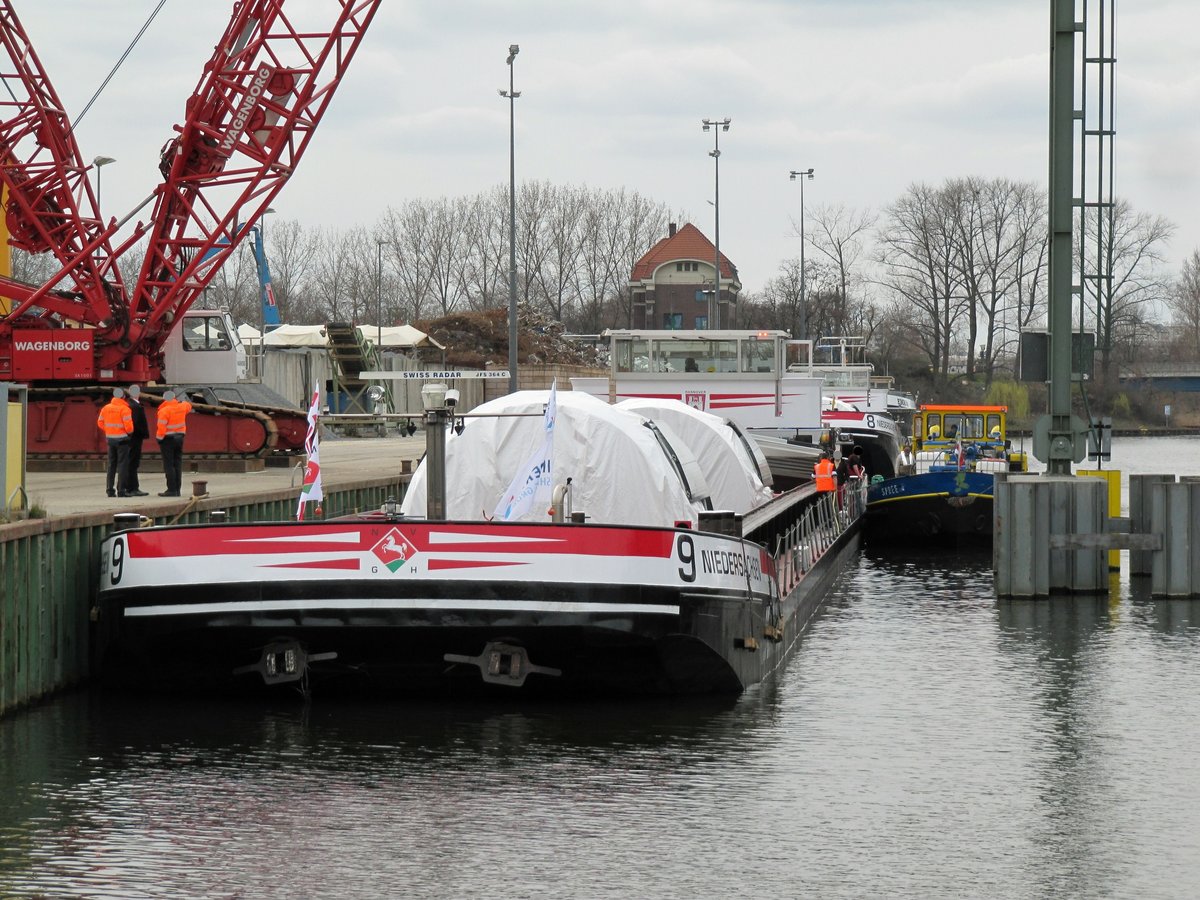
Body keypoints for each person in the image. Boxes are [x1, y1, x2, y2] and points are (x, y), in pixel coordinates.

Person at [97, 387, 133, 497]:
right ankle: (121, 490)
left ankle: (110, 490)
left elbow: (100, 422)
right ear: (123, 397)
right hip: (122, 440)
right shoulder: (125, 409)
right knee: (122, 465)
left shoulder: (106, 408)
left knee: (111, 465)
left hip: (110, 440)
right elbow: (129, 428)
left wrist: (109, 431)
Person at [156, 389, 193, 497]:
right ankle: (177, 489)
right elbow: (188, 405)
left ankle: (171, 489)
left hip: (167, 439)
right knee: (177, 463)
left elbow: (161, 428)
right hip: (179, 438)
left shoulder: (164, 411)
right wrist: (181, 402)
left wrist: (159, 439)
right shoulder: (182, 407)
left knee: (169, 465)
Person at [123, 385, 150, 496]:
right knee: (133, 463)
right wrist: (144, 434)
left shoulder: (127, 405)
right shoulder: (136, 407)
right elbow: (138, 423)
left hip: (128, 437)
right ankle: (133, 488)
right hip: (135, 438)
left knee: (129, 462)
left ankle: (128, 487)